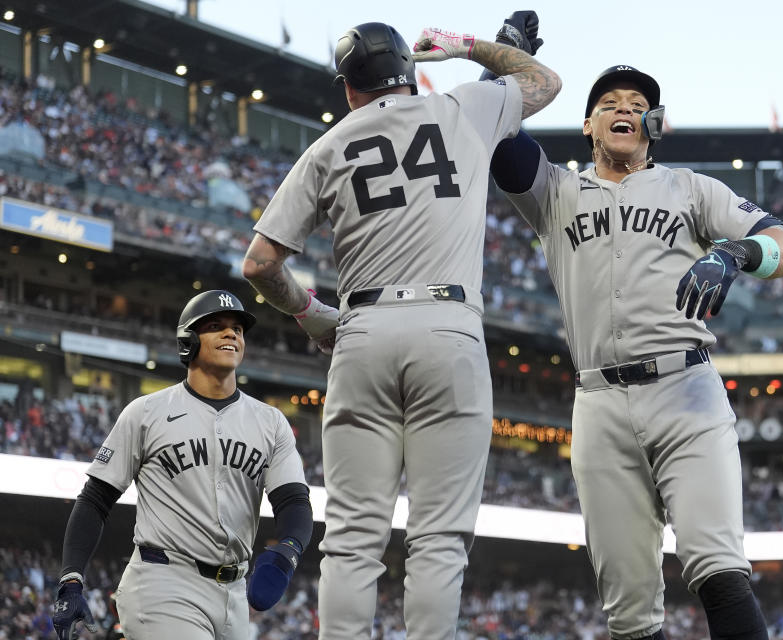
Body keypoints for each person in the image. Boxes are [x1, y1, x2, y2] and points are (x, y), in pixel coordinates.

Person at [485, 18, 783, 640]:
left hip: (685, 390)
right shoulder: (555, 190)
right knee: (630, 614)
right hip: (599, 405)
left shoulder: (690, 188)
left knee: (719, 571)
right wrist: (505, 63)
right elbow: (490, 131)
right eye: (608, 104)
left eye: (639, 106)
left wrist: (735, 254)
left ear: (653, 125)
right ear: (587, 124)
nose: (624, 110)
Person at [241, 20, 560, 639]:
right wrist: (471, 47)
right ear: (411, 70)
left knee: (354, 540)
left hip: (362, 331)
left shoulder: (329, 146)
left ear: (348, 88)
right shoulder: (464, 105)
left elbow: (259, 263)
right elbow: (542, 79)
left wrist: (313, 315)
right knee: (439, 540)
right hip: (449, 327)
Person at [51, 290, 313, 640]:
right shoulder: (146, 412)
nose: (231, 334)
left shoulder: (271, 422)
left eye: (237, 328)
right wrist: (72, 578)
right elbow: (95, 499)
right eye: (216, 326)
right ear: (188, 341)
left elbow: (293, 502)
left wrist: (288, 552)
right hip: (163, 582)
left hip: (233, 595)